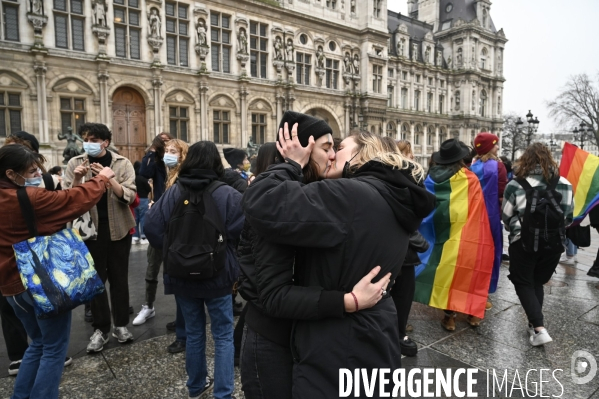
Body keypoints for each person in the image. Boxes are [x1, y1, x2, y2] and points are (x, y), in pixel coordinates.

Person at [243, 122, 436, 398]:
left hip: (338, 346)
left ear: (362, 154)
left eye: (340, 147)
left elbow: (261, 200)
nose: (332, 154)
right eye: (328, 147)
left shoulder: (352, 194)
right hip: (373, 335)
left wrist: (291, 164)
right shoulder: (392, 196)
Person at [0, 144, 115, 399]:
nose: (38, 175)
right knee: (53, 348)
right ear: (11, 174)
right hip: (39, 284)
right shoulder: (28, 198)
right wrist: (102, 179)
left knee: (38, 344)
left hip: (11, 286)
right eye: (32, 171)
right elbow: (72, 201)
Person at [145, 141, 244, 399]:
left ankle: (196, 387)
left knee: (194, 331)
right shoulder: (227, 194)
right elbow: (243, 230)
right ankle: (224, 393)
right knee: (223, 335)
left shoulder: (174, 191)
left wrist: (174, 250)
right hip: (218, 273)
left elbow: (152, 228)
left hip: (181, 273)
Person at [63, 123, 137, 353]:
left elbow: (130, 195)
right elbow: (68, 198)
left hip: (119, 229)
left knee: (119, 279)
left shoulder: (122, 163)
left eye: (94, 139)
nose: (89, 143)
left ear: (105, 142)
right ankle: (101, 329)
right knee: (95, 282)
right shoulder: (75, 163)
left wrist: (108, 178)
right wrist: (78, 180)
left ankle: (121, 325)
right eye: (86, 138)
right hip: (89, 232)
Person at [502, 143, 573, 346]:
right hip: (553, 244)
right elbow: (568, 217)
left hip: (523, 242)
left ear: (526, 160)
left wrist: (518, 227)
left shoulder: (516, 184)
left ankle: (540, 328)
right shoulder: (565, 184)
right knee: (537, 282)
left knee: (523, 281)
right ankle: (534, 325)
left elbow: (506, 216)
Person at [133, 139, 190, 355]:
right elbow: (144, 171)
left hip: (174, 235)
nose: (168, 154)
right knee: (161, 274)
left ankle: (183, 331)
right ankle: (163, 313)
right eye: (166, 150)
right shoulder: (165, 172)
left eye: (173, 151)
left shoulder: (181, 178)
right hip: (165, 232)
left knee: (180, 283)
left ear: (183, 155)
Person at [470, 132, 507, 321]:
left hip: (472, 217)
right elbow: (502, 192)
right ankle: (483, 295)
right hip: (491, 217)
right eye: (495, 144)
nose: (497, 147)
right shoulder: (498, 167)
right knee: (490, 254)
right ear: (488, 147)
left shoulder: (471, 167)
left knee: (472, 256)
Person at [132, 161, 151, 245]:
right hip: (143, 199)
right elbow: (149, 189)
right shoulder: (143, 178)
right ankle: (143, 237)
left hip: (134, 200)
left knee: (135, 218)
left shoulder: (132, 178)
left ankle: (135, 236)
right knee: (143, 218)